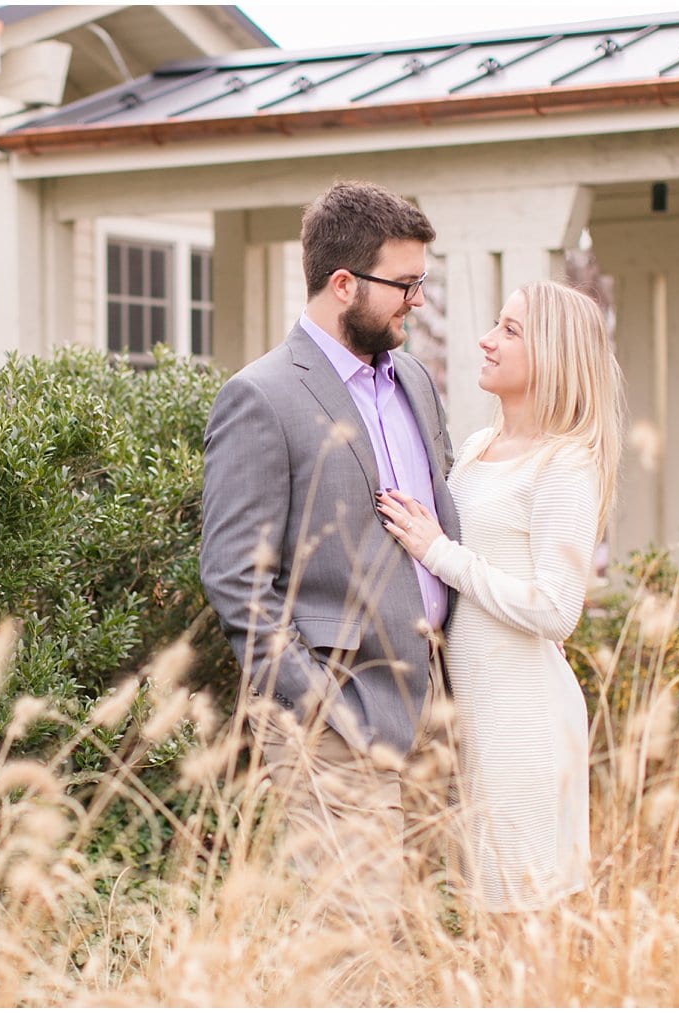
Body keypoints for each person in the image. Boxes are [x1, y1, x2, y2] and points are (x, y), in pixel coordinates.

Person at [199, 180, 459, 926]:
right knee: (353, 953)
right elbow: (232, 578)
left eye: (422, 283)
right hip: (335, 728)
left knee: (422, 944)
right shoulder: (261, 396)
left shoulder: (413, 378)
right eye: (404, 284)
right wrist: (321, 708)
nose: (416, 300)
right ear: (342, 283)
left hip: (432, 712)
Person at [374, 279, 625, 914]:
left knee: (520, 931)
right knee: (488, 927)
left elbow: (557, 609)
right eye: (496, 323)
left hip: (523, 721)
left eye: (510, 330)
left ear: (554, 354)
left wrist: (439, 552)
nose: (486, 340)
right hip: (474, 719)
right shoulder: (479, 447)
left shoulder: (566, 463)